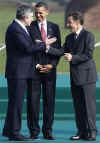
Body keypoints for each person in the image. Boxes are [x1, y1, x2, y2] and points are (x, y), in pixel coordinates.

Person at [2, 4, 55, 141]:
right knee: (17, 103)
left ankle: (9, 130)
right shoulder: (15, 29)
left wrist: (38, 44)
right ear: (25, 17)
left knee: (14, 102)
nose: (33, 18)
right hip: (17, 72)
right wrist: (44, 43)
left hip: (20, 72)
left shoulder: (21, 28)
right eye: (31, 16)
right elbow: (27, 48)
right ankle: (14, 132)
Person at [48, 11, 97, 141]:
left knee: (88, 106)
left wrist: (73, 57)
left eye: (69, 22)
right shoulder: (69, 38)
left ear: (77, 22)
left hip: (87, 77)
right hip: (75, 77)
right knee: (78, 106)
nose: (67, 24)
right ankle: (81, 132)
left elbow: (88, 55)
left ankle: (92, 132)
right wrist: (47, 47)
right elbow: (61, 51)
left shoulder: (89, 36)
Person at [27, 2, 61, 140]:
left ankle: (48, 131)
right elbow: (28, 50)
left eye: (41, 12)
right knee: (33, 102)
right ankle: (34, 132)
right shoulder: (29, 27)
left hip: (50, 72)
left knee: (49, 101)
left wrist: (52, 65)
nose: (38, 15)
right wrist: (36, 65)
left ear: (47, 12)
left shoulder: (55, 27)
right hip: (34, 71)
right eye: (36, 13)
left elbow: (59, 50)